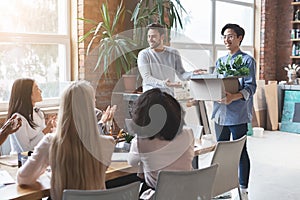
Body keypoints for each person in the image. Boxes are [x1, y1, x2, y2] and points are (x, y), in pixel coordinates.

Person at [17, 80, 115, 200]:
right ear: (91, 108)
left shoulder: (50, 143)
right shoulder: (108, 144)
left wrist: (48, 172)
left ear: (64, 108)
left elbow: (23, 178)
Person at [212, 23, 257, 199]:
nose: (226, 40)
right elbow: (216, 84)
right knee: (221, 152)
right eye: (224, 36)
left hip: (237, 114)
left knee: (239, 151)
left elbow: (251, 88)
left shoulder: (247, 61)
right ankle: (222, 190)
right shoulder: (220, 62)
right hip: (220, 114)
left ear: (239, 38)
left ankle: (243, 189)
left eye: (230, 36)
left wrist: (233, 97)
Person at [127, 88, 194, 199]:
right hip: (186, 194)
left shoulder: (140, 141)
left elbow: (132, 162)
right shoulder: (188, 133)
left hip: (157, 195)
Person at [137, 23, 205, 96]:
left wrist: (192, 74)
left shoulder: (173, 53)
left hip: (168, 97)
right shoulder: (144, 54)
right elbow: (147, 78)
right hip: (151, 97)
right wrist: (164, 83)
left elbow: (182, 74)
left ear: (162, 37)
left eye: (153, 36)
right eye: (148, 36)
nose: (150, 39)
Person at [7, 78, 56, 153]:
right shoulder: (17, 119)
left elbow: (42, 141)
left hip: (36, 158)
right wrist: (46, 130)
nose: (40, 91)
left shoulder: (38, 113)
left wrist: (51, 128)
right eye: (36, 88)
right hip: (19, 161)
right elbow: (26, 150)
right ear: (27, 93)